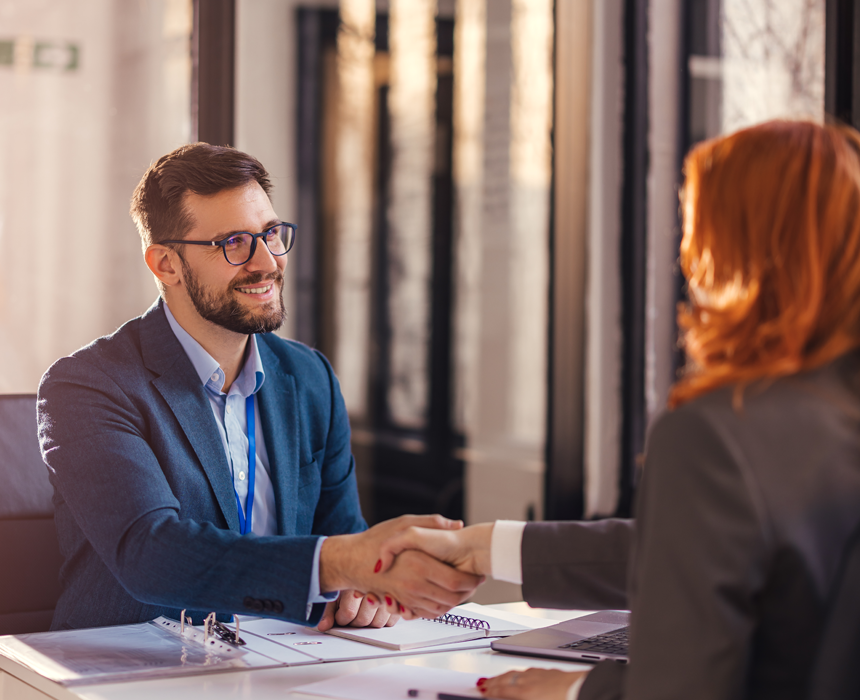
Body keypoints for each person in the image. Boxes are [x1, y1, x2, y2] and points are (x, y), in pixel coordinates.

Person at [377, 120, 860, 700]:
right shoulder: (830, 419)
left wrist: (574, 692)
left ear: (735, 249)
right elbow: (711, 549)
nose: (687, 255)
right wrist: (488, 546)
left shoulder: (717, 436)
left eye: (694, 227)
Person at [37, 143, 480, 632]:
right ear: (166, 264)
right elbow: (151, 555)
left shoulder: (310, 378)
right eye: (234, 243)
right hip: (131, 672)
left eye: (270, 234)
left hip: (287, 660)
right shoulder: (87, 386)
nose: (266, 262)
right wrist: (343, 562)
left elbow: (344, 541)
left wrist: (368, 587)